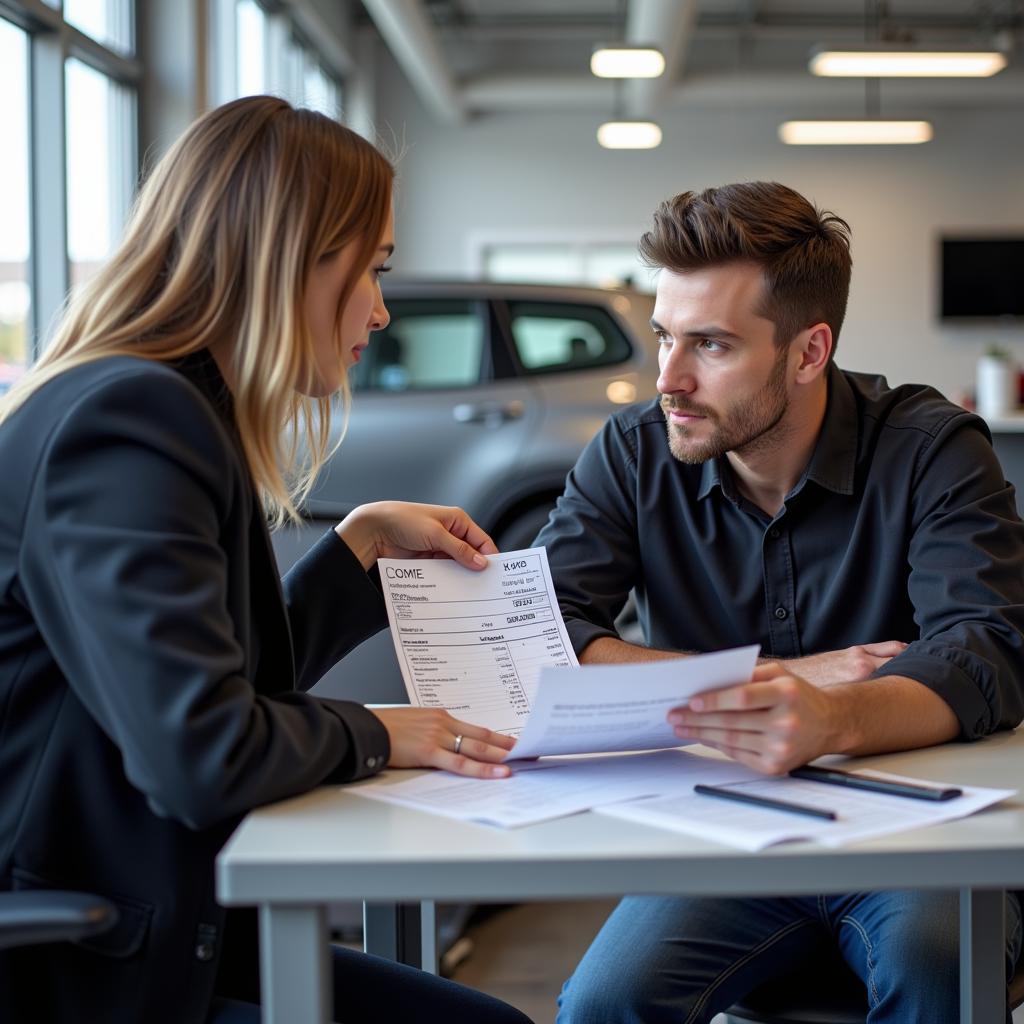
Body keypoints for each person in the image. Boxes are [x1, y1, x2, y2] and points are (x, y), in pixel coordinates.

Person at [0, 96, 533, 1024]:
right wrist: (378, 731)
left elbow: (219, 681)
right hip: (87, 972)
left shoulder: (161, 404)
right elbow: (204, 752)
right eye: (370, 268)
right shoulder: (131, 422)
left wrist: (357, 546)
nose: (378, 306)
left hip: (164, 926)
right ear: (287, 259)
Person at [542, 181, 1024, 1023]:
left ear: (809, 352)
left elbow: (987, 646)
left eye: (712, 347)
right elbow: (546, 635)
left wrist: (833, 719)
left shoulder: (932, 449)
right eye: (664, 339)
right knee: (601, 1005)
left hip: (917, 833)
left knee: (936, 966)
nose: (669, 379)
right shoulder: (633, 452)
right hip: (726, 830)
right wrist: (781, 678)